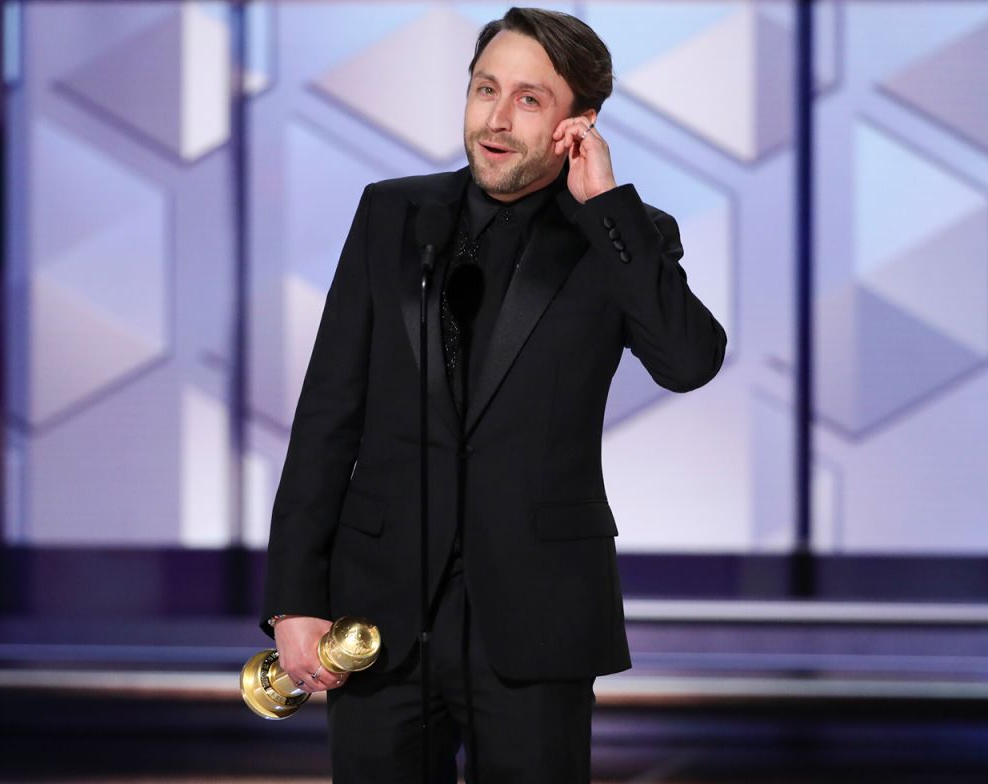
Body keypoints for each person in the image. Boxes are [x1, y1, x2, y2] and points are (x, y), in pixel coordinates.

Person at [260, 7, 726, 782]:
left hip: (535, 617)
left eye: (529, 100)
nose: (496, 119)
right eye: (485, 89)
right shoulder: (392, 213)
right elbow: (328, 413)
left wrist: (605, 204)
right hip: (380, 617)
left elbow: (687, 361)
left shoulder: (620, 236)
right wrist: (293, 597)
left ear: (579, 123)